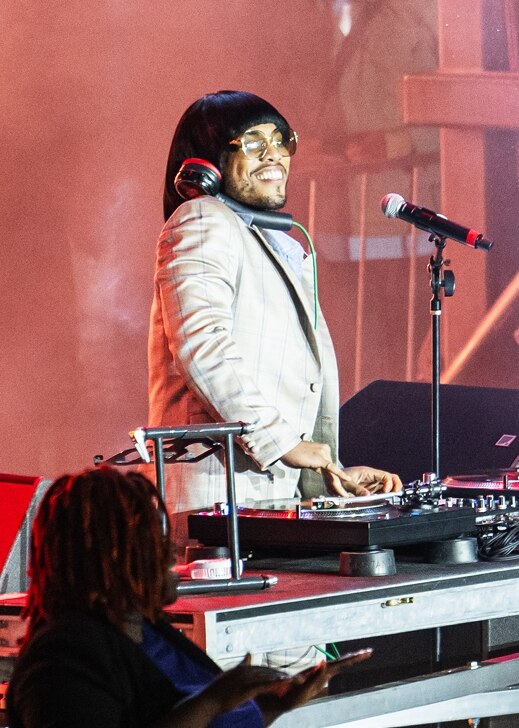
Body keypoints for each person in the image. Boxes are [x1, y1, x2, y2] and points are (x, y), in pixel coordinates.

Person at [149, 90, 402, 549]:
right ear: (206, 164)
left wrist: (331, 473)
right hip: (214, 497)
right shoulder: (201, 218)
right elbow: (202, 346)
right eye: (252, 142)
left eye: (281, 140)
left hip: (264, 497)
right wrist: (283, 443)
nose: (274, 154)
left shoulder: (270, 242)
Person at [5, 467, 373, 728]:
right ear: (109, 556)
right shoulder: (63, 660)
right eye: (154, 542)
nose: (169, 553)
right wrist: (214, 700)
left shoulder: (148, 631)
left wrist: (272, 705)